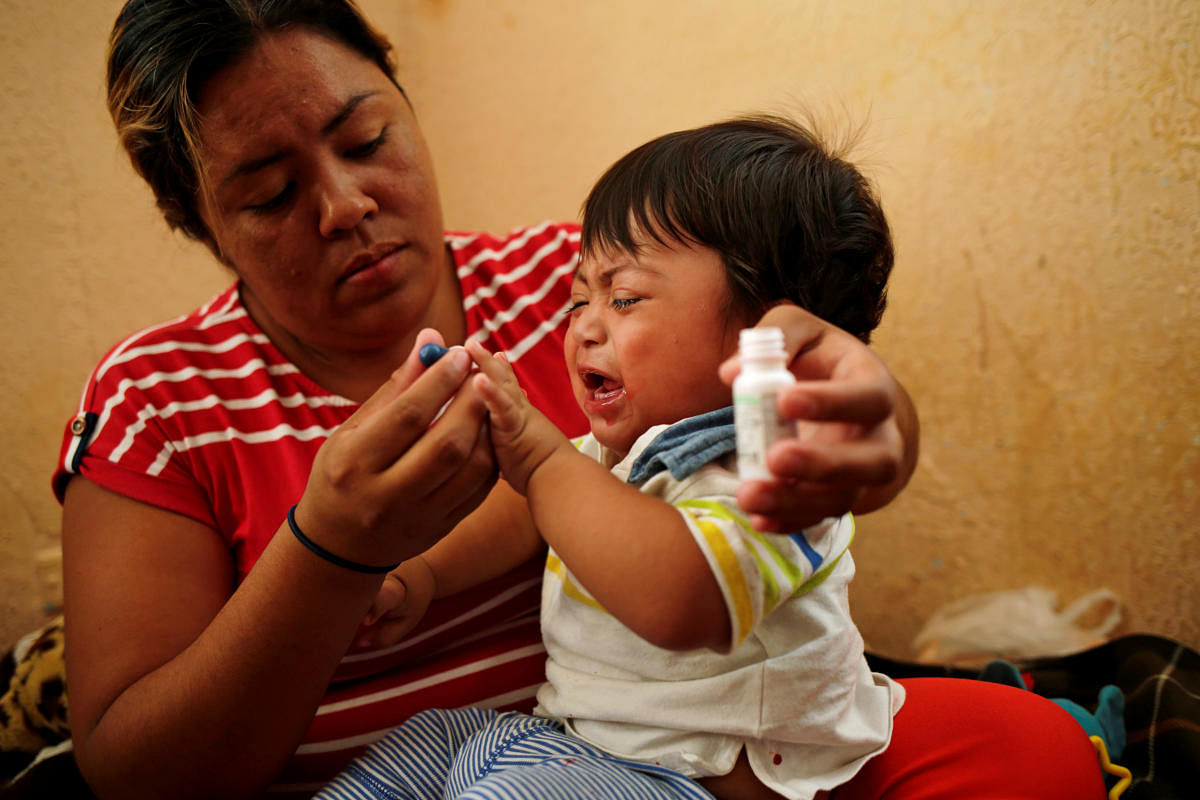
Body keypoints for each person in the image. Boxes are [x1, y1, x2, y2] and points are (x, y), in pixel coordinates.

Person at [53, 2, 920, 798]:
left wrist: (868, 408)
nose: (346, 205)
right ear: (200, 223)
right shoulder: (155, 401)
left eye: (363, 141)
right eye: (271, 194)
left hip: (646, 766)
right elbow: (136, 773)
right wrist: (340, 557)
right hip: (526, 740)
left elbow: (809, 433)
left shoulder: (595, 294)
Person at [323, 116, 1108, 800]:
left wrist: (533, 454)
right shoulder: (616, 451)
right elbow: (528, 517)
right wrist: (423, 574)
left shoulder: (776, 470)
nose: (585, 327)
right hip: (571, 737)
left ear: (767, 335)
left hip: (683, 777)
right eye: (577, 298)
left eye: (624, 298)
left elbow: (679, 599)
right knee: (416, 750)